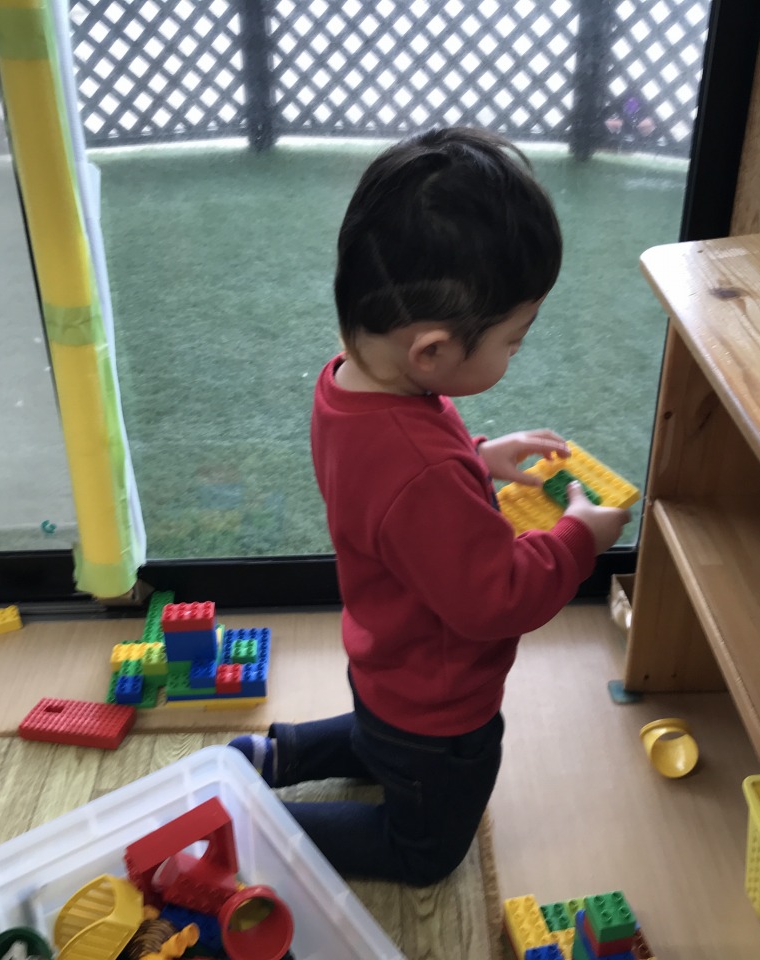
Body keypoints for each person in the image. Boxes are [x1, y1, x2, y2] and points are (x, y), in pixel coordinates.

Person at [230, 126, 630, 886]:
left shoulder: (349, 384)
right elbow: (494, 599)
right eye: (514, 340)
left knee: (379, 737)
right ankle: (259, 828)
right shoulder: (421, 466)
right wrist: (578, 537)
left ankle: (276, 754)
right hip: (440, 710)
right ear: (433, 351)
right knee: (423, 850)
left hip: (389, 664)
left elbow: (396, 486)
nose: (515, 353)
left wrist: (476, 456)